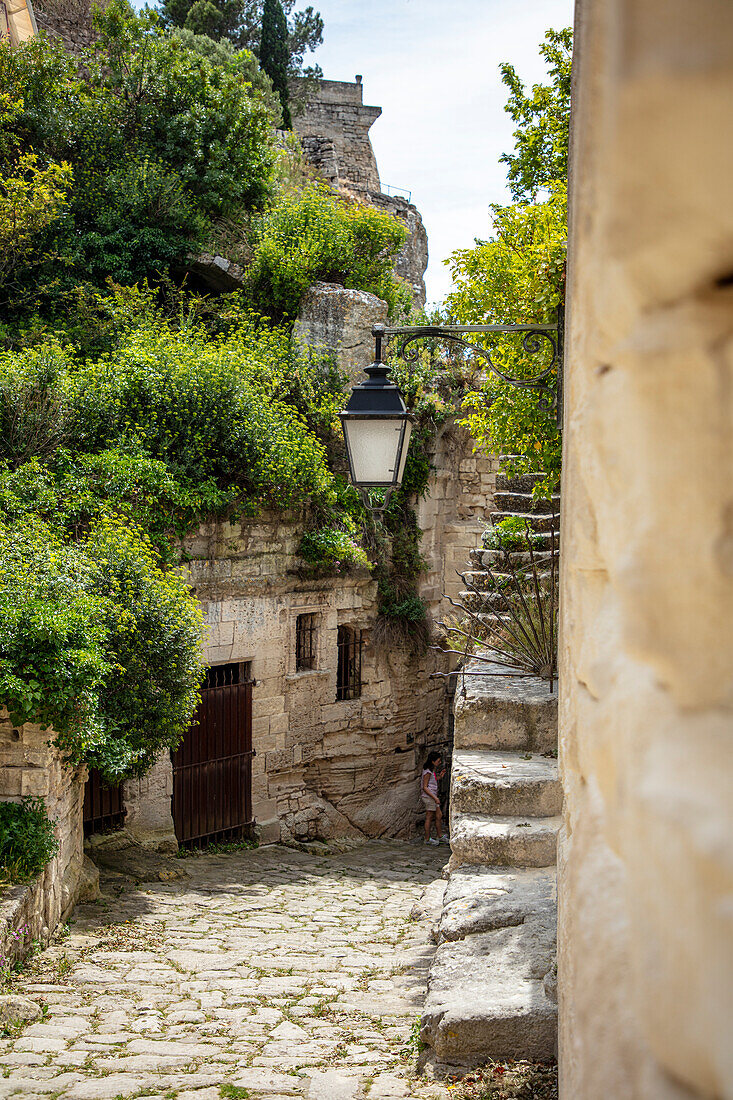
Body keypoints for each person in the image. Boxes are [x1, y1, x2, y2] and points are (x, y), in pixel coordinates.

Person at [421, 751, 449, 845]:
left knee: (439, 815)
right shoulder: (427, 772)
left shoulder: (431, 771)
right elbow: (425, 787)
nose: (439, 762)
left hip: (433, 797)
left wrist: (440, 776)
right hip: (430, 797)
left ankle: (439, 835)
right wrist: (435, 798)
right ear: (433, 761)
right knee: (429, 817)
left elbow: (432, 782)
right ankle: (427, 838)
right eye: (438, 760)